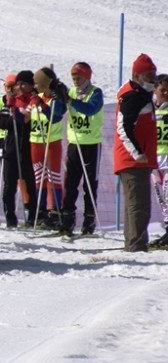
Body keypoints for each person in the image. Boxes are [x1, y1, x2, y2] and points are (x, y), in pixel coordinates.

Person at [113, 53, 158, 252]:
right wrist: (137, 152)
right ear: (137, 75)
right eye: (149, 75)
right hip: (133, 160)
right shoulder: (133, 96)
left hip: (135, 159)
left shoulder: (139, 93)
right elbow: (123, 127)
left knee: (134, 204)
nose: (153, 79)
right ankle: (137, 245)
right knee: (139, 205)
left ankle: (133, 242)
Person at [59, 62, 103, 236]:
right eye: (73, 78)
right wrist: (56, 97)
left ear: (87, 77)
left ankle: (89, 222)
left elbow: (91, 109)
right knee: (70, 184)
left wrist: (71, 101)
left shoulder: (96, 92)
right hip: (74, 144)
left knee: (90, 185)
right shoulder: (70, 92)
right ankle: (67, 222)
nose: (76, 81)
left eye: (79, 78)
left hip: (91, 144)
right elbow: (57, 113)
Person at [0, 70, 39, 227]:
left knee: (30, 184)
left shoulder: (34, 101)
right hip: (11, 148)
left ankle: (32, 216)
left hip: (28, 149)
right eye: (19, 84)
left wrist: (23, 117)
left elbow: (36, 120)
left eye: (24, 84)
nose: (20, 87)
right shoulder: (11, 102)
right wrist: (15, 116)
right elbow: (0, 122)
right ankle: (10, 218)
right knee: (9, 185)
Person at [29, 67, 67, 228]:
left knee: (53, 178)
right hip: (36, 143)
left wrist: (43, 107)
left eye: (37, 83)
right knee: (39, 179)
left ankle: (55, 213)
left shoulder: (57, 99)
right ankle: (40, 212)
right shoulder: (36, 98)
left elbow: (56, 117)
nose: (35, 86)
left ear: (45, 84)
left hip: (51, 143)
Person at [150, 74, 168, 248]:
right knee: (161, 198)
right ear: (155, 90)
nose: (166, 93)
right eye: (162, 90)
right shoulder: (150, 108)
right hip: (155, 161)